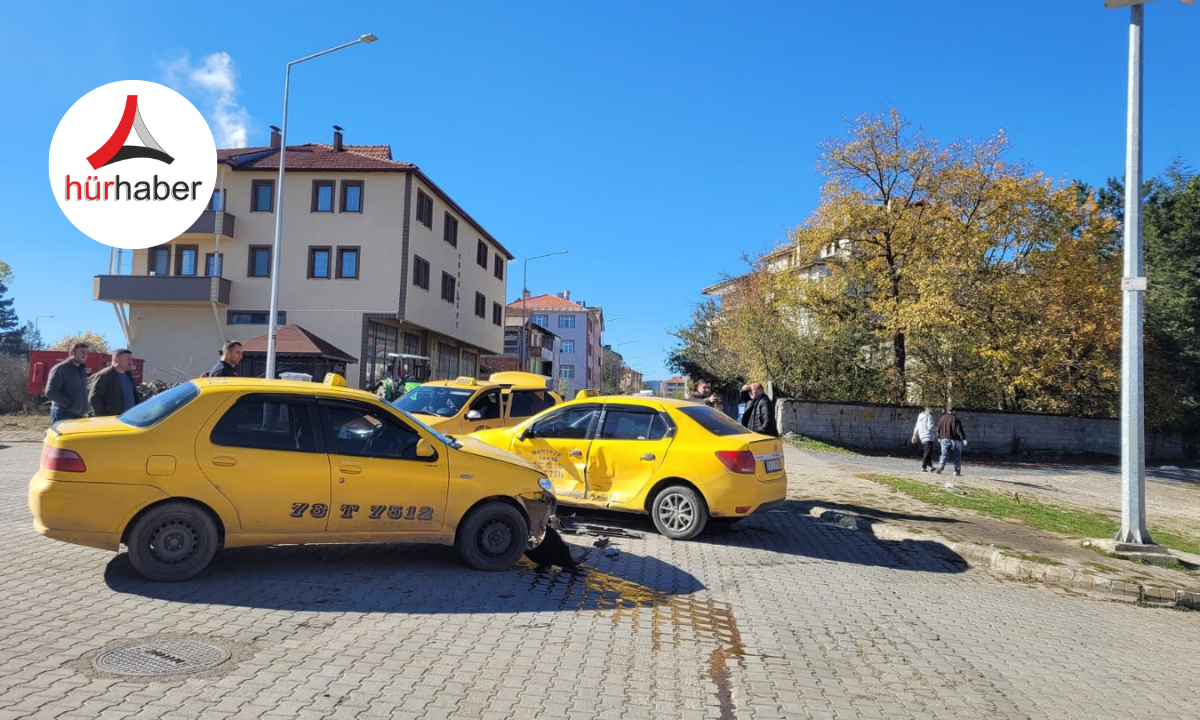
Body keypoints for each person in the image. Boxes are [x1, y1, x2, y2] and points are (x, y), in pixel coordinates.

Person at [45, 342, 91, 423]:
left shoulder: (82, 370)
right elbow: (50, 392)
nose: (85, 355)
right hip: (63, 414)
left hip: (79, 415)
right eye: (82, 352)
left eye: (87, 352)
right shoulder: (61, 369)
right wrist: (70, 405)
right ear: (72, 353)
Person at [88, 349, 143, 416]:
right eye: (127, 359)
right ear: (116, 360)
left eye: (131, 359)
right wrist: (102, 416)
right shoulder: (105, 375)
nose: (131, 362)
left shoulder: (129, 376)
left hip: (128, 419)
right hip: (112, 420)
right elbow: (95, 398)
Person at [935, 406, 968, 476]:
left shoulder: (942, 418)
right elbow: (959, 430)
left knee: (944, 454)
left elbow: (938, 429)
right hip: (955, 439)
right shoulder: (955, 419)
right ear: (954, 411)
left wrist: (939, 437)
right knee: (957, 456)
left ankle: (940, 467)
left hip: (944, 438)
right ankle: (956, 471)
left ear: (947, 410)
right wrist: (964, 439)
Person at [911, 406, 938, 473]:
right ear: (929, 409)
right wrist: (938, 428)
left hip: (922, 436)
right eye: (933, 409)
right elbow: (930, 427)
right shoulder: (930, 417)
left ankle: (931, 466)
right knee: (927, 452)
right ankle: (923, 467)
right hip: (929, 436)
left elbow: (916, 427)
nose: (934, 410)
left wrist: (914, 435)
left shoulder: (920, 416)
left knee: (927, 451)